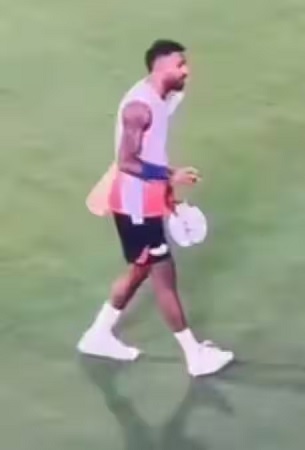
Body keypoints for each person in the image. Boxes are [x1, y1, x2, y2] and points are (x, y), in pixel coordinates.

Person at [77, 39, 234, 377]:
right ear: (161, 67)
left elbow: (151, 155)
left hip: (144, 200)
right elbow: (127, 161)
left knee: (140, 269)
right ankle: (194, 356)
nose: (187, 70)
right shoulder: (139, 108)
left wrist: (166, 192)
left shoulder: (165, 99)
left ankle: (98, 335)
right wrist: (170, 176)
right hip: (134, 205)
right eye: (180, 65)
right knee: (164, 275)